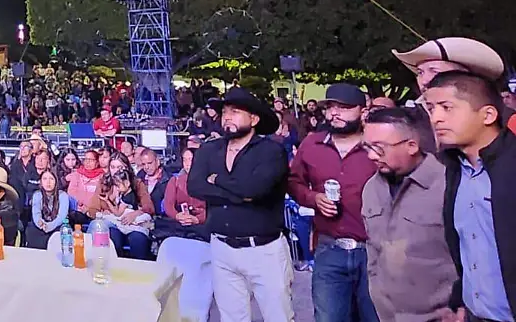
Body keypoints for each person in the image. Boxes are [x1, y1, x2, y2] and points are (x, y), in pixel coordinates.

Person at [189, 88, 293, 322]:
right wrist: (239, 194)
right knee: (232, 317)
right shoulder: (209, 149)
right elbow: (195, 187)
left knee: (279, 316)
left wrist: (218, 180)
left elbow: (254, 189)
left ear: (254, 119)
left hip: (264, 250)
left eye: (235, 112)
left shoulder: (271, 151)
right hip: (221, 247)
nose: (227, 117)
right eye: (225, 112)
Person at [423, 72, 515, 322]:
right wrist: (461, 301)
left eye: (447, 107)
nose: (436, 118)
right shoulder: (455, 169)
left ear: (488, 115)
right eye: (431, 108)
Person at [287, 83, 379, 322]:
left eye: (344, 107)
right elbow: (293, 182)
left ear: (363, 111)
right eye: (330, 107)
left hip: (375, 250)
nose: (335, 113)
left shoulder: (378, 146)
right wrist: (313, 198)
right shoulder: (311, 144)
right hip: (329, 250)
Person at [361, 107, 457, 322]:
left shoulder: (448, 185)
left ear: (412, 145)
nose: (370, 155)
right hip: (388, 316)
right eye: (366, 147)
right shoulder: (371, 188)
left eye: (379, 148)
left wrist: (460, 306)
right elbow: (373, 248)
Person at [83, 152, 154, 259]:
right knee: (110, 236)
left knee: (138, 239)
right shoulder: (103, 183)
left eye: (119, 167)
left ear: (127, 168)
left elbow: (149, 208)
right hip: (113, 224)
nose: (116, 170)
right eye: (112, 167)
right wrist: (101, 213)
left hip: (133, 225)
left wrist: (135, 213)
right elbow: (93, 208)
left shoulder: (137, 183)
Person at [25, 168, 69, 249]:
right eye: (45, 179)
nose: (48, 182)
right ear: (41, 182)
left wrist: (50, 226)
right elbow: (36, 214)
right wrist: (40, 223)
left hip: (57, 226)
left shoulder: (63, 195)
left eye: (51, 179)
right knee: (31, 231)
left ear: (56, 181)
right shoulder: (37, 195)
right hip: (42, 227)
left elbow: (61, 217)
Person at [137, 148, 167, 214]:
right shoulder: (140, 176)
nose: (146, 167)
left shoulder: (168, 179)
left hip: (159, 218)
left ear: (158, 162)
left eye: (149, 163)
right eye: (143, 164)